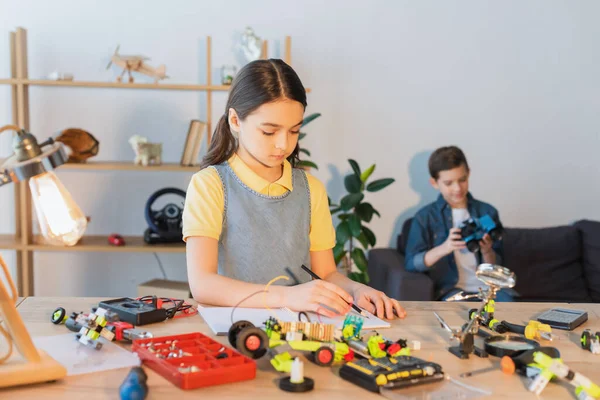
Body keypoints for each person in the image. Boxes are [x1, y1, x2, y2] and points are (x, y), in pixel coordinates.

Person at [183, 59, 405, 319]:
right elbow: (202, 284)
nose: (282, 145)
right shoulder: (210, 185)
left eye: (294, 131)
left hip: (300, 328)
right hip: (233, 329)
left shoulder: (311, 189)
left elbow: (326, 274)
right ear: (235, 120)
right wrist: (287, 296)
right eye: (269, 132)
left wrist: (356, 290)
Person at [404, 146, 512, 301]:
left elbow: (499, 267)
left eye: (462, 180)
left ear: (468, 174)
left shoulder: (487, 212)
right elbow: (411, 264)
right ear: (434, 183)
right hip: (452, 291)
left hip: (490, 289)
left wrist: (487, 251)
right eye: (448, 183)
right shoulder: (425, 217)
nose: (457, 188)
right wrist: (445, 247)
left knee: (509, 312)